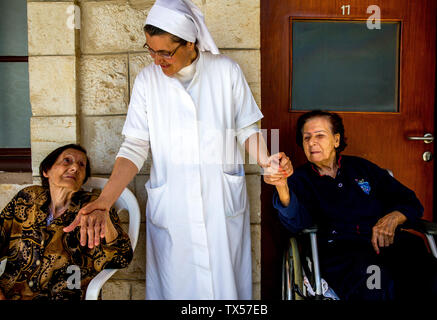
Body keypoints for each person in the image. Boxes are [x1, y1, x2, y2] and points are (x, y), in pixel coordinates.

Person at [63, 0, 292, 299]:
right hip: (174, 209)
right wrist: (106, 201)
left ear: (189, 43)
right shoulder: (148, 81)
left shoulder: (225, 71)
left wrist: (267, 162)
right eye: (151, 50)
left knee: (224, 290)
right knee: (176, 288)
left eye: (165, 52)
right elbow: (134, 146)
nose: (157, 60)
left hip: (219, 203)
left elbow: (246, 128)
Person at [271, 110, 437, 300]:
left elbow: (410, 201)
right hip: (344, 255)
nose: (312, 142)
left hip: (391, 247)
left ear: (336, 140)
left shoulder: (362, 168)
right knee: (378, 283)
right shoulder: (300, 180)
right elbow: (296, 222)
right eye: (306, 138)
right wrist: (282, 185)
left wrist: (394, 217)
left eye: (320, 135)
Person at [0, 144, 133, 300]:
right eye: (67, 161)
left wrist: (105, 215)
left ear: (83, 179)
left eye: (81, 165)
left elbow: (121, 258)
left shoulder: (94, 208)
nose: (75, 167)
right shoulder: (28, 198)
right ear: (46, 171)